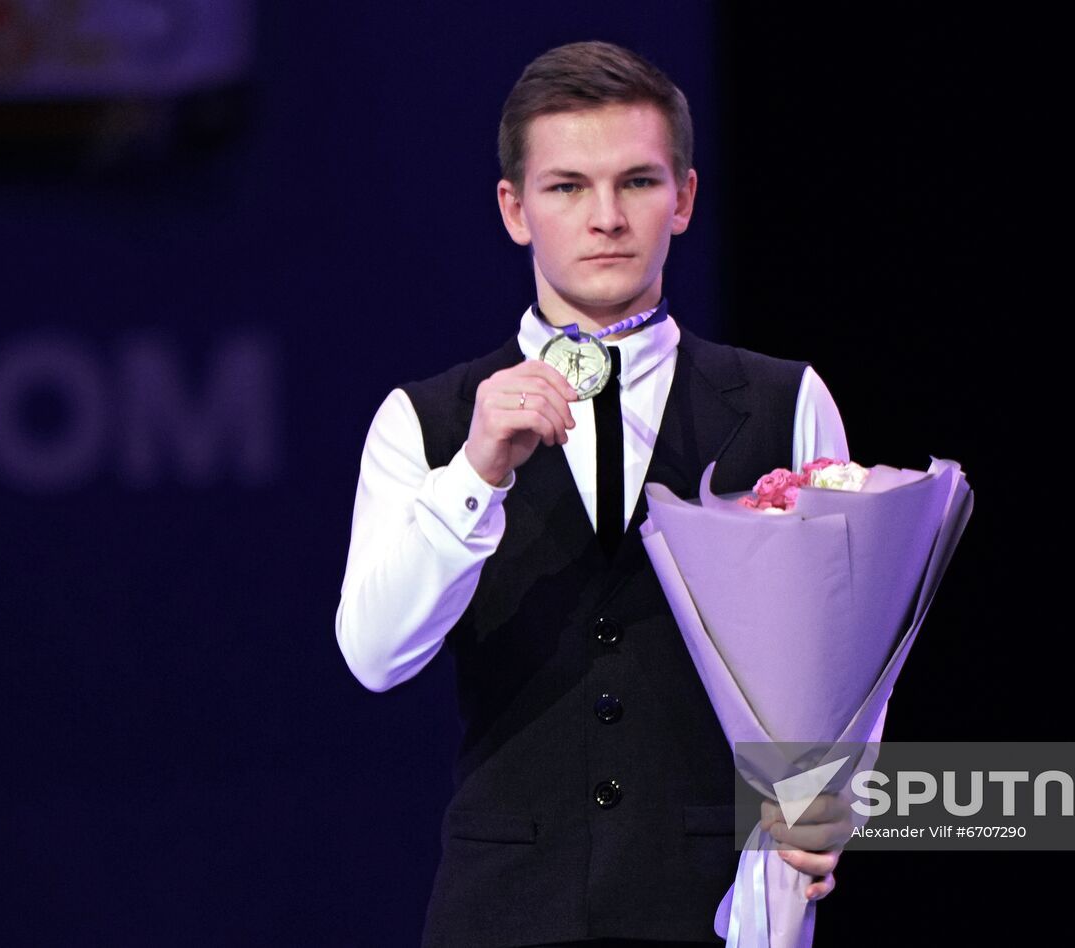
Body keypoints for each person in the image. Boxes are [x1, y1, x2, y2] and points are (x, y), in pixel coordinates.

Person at [336, 41, 852, 947]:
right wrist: (477, 474)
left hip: (716, 904)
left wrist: (835, 800)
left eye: (639, 183)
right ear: (515, 210)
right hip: (504, 908)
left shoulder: (784, 403)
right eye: (568, 186)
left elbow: (846, 663)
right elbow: (376, 656)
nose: (606, 217)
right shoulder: (428, 419)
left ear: (684, 198)